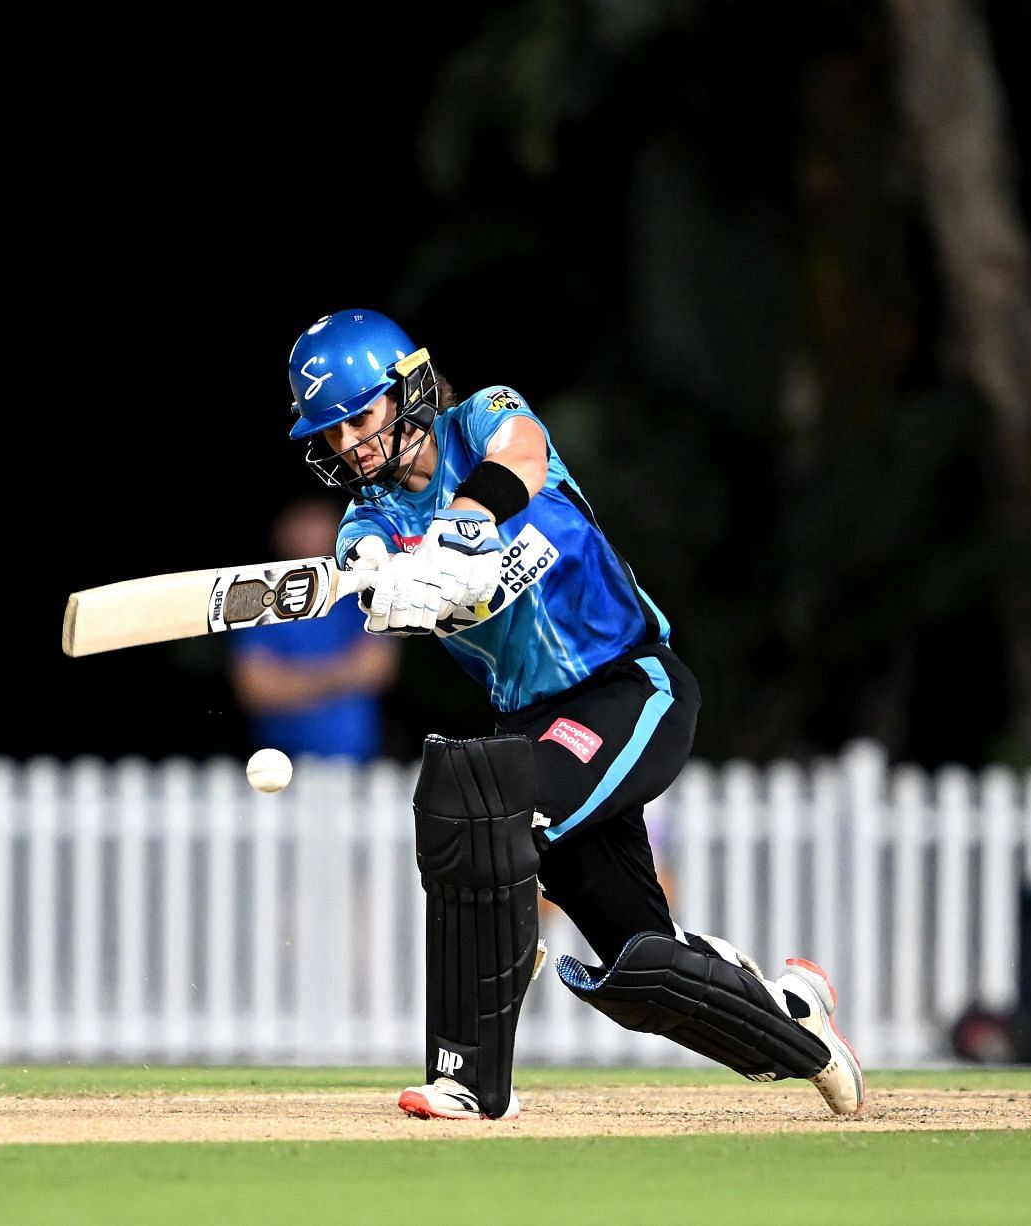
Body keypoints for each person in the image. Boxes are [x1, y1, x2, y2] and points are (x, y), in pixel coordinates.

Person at [282, 308, 864, 1121]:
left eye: (361, 417)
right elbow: (366, 567)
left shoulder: (482, 417)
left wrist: (467, 528)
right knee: (644, 962)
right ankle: (795, 1021)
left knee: (494, 818)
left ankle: (474, 1079)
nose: (349, 445)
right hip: (530, 723)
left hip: (627, 687)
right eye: (332, 433)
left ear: (409, 388)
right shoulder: (368, 521)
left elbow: (520, 456)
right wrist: (392, 586)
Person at [228, 496, 401, 764]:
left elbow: (378, 669)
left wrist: (289, 680)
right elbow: (255, 688)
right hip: (278, 764)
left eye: (318, 522)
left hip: (358, 764)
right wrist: (344, 673)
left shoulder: (358, 596)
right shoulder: (257, 601)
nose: (311, 533)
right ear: (281, 532)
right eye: (302, 522)